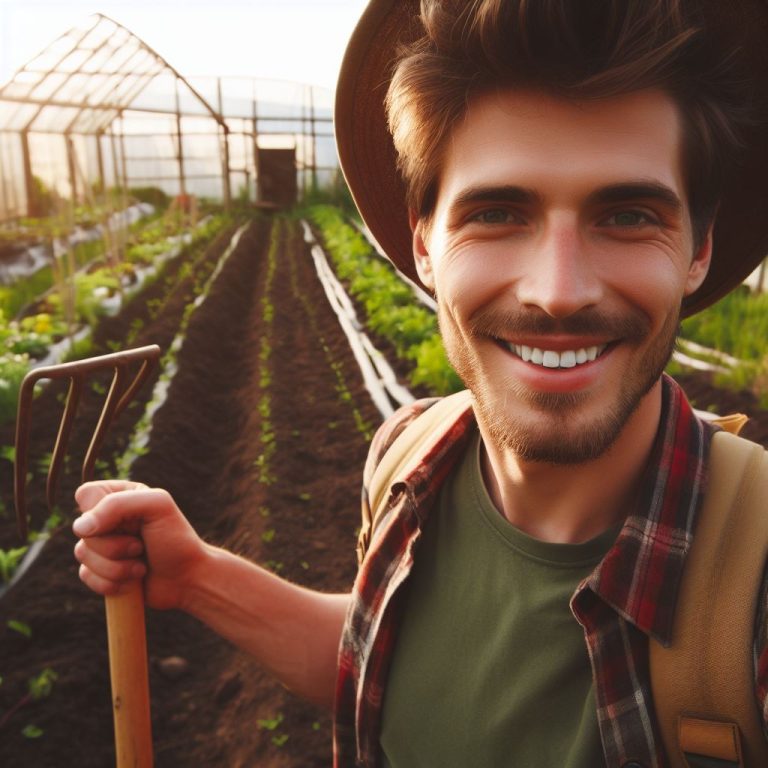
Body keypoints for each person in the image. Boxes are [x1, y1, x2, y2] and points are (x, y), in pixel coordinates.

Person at [73, 1, 768, 766]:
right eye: (498, 212)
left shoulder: (755, 580)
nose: (559, 291)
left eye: (630, 214)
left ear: (698, 249)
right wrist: (200, 576)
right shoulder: (408, 459)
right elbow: (389, 653)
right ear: (424, 245)